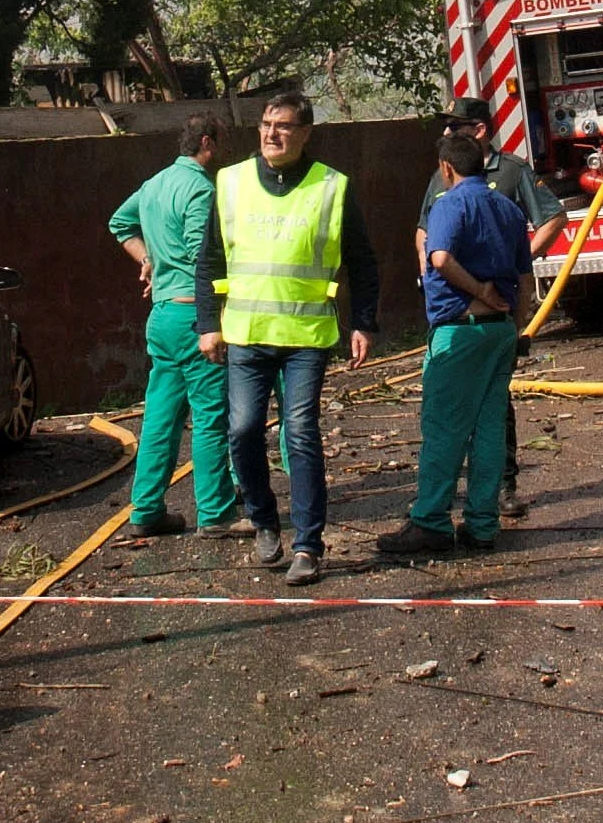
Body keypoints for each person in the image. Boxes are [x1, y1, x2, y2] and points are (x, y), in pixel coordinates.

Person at [196, 92, 377, 587]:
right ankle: (263, 520)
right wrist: (208, 323)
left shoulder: (331, 187)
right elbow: (210, 260)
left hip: (306, 336)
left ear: (306, 132)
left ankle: (307, 546)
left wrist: (363, 322)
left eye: (283, 126)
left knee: (299, 434)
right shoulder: (229, 183)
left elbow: (361, 260)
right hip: (247, 335)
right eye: (265, 124)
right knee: (242, 430)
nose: (271, 134)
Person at [376, 133, 536, 555]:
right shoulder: (508, 208)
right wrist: (516, 328)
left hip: (460, 332)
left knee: (444, 428)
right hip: (501, 332)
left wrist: (480, 293)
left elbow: (440, 258)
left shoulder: (448, 204)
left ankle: (429, 521)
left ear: (446, 168)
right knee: (487, 428)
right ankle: (482, 524)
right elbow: (524, 279)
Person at [412, 98, 565, 519]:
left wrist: (495, 278)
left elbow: (553, 218)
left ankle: (441, 515)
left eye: (454, 126)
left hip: (470, 323)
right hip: (482, 318)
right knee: (486, 414)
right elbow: (425, 237)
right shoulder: (443, 178)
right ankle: (481, 518)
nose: (446, 134)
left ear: (478, 130)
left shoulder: (511, 172)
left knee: (451, 420)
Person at [109, 112, 240, 538]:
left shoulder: (154, 184)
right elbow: (202, 255)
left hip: (162, 315)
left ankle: (145, 510)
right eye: (220, 141)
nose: (223, 150)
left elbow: (120, 223)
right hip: (194, 315)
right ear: (207, 142)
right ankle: (216, 512)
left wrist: (147, 259)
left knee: (160, 418)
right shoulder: (201, 189)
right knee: (209, 416)